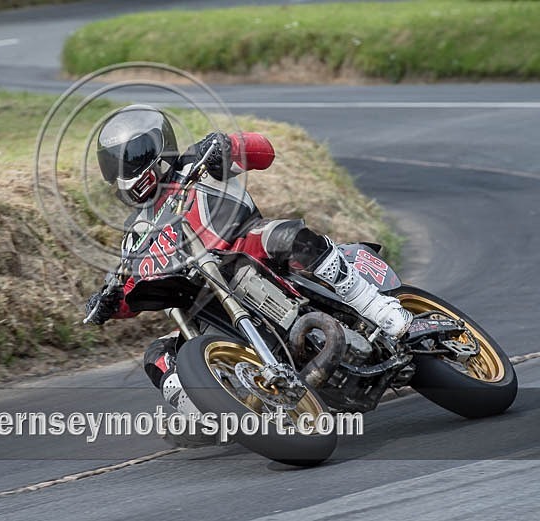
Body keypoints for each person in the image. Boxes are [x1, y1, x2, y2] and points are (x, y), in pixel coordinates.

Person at [84, 104, 412, 443]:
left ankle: (374, 306)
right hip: (203, 301)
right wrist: (111, 303)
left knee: (288, 236)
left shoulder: (198, 163)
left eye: (129, 158)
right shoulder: (135, 235)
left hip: (250, 251)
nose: (123, 171)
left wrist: (228, 145)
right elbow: (135, 287)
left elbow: (263, 151)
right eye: (114, 164)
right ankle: (202, 407)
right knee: (157, 354)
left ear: (156, 148)